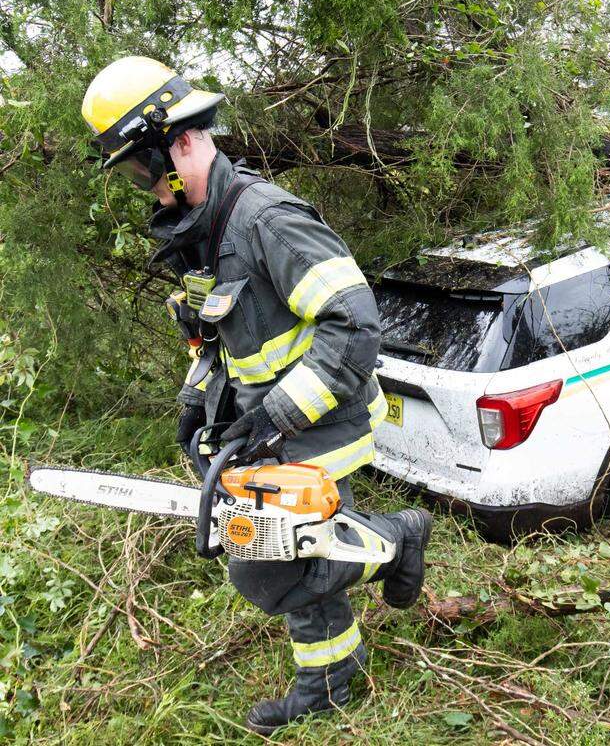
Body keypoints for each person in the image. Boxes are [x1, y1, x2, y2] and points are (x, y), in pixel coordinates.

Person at [81, 56, 432, 734]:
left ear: (177, 142)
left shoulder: (265, 221)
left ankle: (395, 538)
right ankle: (330, 682)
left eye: (142, 170)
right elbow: (221, 339)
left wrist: (277, 414)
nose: (147, 189)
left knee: (269, 568)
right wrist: (197, 404)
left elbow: (355, 324)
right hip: (268, 419)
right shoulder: (206, 232)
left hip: (317, 418)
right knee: (292, 548)